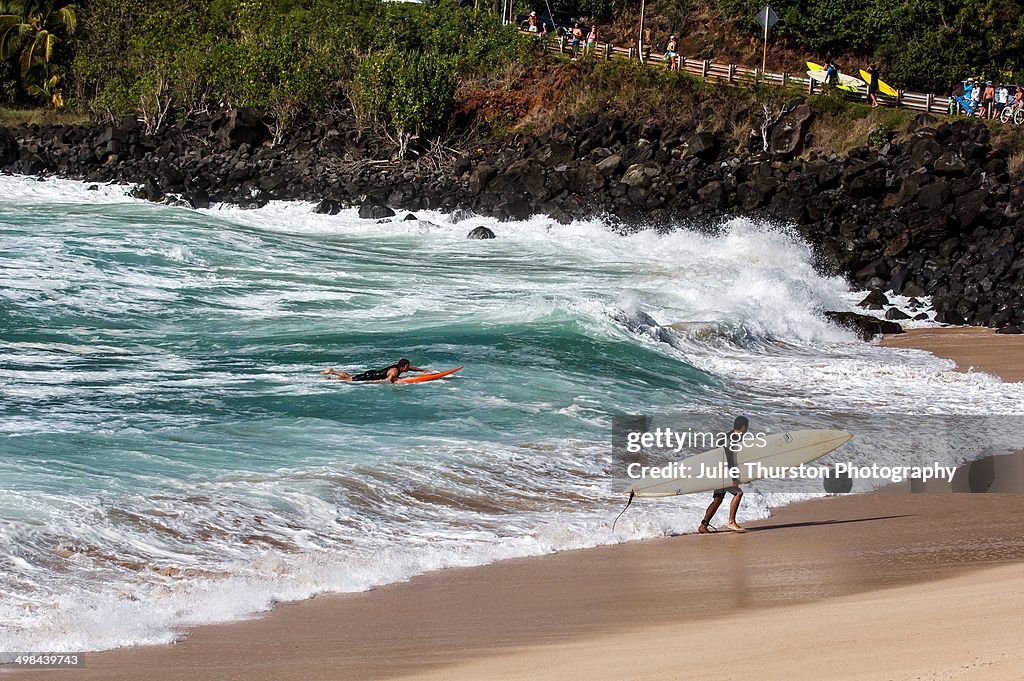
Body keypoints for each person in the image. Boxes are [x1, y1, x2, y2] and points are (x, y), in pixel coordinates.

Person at [698, 416, 750, 534]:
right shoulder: (732, 438)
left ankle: (703, 525)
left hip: (719, 472)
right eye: (747, 426)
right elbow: (730, 460)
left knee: (718, 499)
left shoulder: (730, 436)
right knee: (738, 493)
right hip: (724, 474)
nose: (748, 429)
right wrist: (734, 478)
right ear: (743, 427)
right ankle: (731, 522)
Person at [321, 359, 427, 383]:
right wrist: (399, 382)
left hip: (372, 373)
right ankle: (332, 374)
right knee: (349, 379)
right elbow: (387, 381)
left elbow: (412, 368)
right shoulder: (394, 371)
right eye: (407, 367)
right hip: (370, 376)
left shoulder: (399, 367)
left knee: (349, 376)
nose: (409, 368)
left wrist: (423, 370)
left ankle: (332, 372)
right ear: (403, 366)